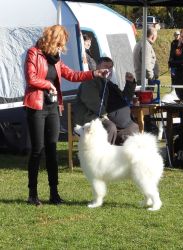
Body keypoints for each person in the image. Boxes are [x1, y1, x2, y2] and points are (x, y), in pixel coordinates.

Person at [23, 25, 108, 206]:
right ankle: (32, 194)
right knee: (38, 150)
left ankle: (54, 193)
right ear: (52, 41)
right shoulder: (33, 53)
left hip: (53, 108)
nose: (62, 48)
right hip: (36, 106)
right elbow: (31, 78)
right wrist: (48, 84)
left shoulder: (56, 59)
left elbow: (71, 74)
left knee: (52, 149)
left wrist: (94, 73)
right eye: (60, 44)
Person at [74, 57, 139, 145]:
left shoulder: (109, 84)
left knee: (134, 127)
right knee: (110, 127)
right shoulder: (90, 81)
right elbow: (92, 101)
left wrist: (129, 84)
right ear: (97, 67)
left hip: (121, 122)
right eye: (105, 66)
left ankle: (118, 151)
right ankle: (104, 155)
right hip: (92, 117)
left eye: (111, 67)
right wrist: (104, 115)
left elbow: (124, 99)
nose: (109, 69)